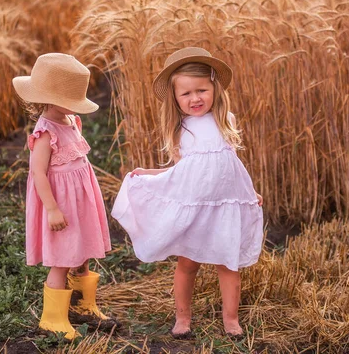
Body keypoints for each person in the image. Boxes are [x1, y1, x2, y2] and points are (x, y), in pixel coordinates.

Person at [111, 47, 264, 339]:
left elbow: (232, 166)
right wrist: (150, 174)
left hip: (223, 206)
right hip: (195, 206)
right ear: (175, 98)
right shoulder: (181, 129)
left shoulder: (224, 120)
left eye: (202, 90)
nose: (195, 98)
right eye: (186, 94)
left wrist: (250, 191)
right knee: (187, 263)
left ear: (215, 89)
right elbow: (182, 173)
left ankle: (230, 319)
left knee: (228, 263)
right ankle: (183, 318)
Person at [13, 53, 116, 339]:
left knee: (81, 254)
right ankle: (52, 319)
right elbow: (39, 174)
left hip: (79, 201)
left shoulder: (70, 119)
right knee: (61, 258)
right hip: (59, 203)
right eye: (69, 99)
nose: (73, 106)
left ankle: (83, 306)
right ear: (47, 97)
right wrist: (52, 209)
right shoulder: (45, 131)